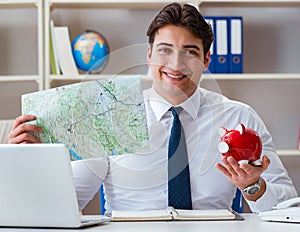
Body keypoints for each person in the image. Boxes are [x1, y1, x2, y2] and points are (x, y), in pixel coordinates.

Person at [8, 2, 297, 214]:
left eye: (190, 52)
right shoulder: (109, 115)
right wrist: (27, 164)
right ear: (148, 55)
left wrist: (253, 187)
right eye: (165, 50)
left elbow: (285, 209)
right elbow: (61, 205)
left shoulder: (239, 118)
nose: (176, 64)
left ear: (206, 61)